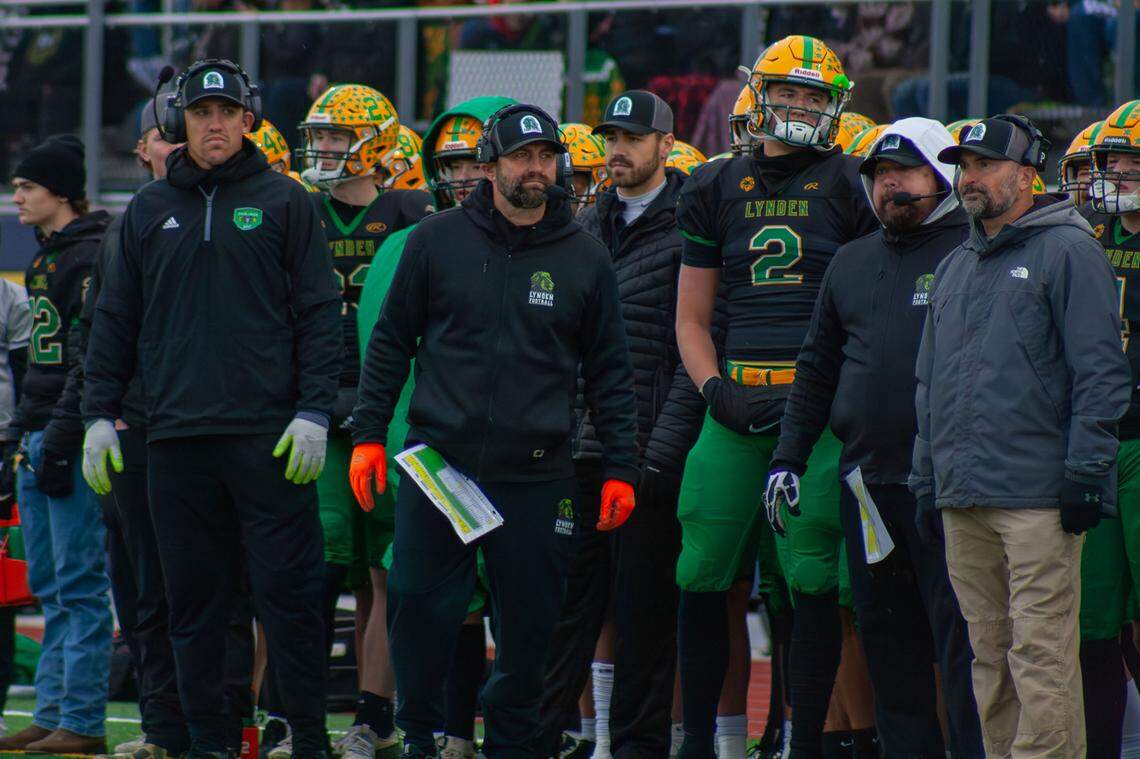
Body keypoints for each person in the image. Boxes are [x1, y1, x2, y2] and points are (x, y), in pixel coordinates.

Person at [349, 102, 640, 758]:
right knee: (418, 608)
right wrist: (369, 433)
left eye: (546, 156)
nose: (536, 169)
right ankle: (420, 736)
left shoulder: (585, 256)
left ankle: (514, 744)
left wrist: (621, 464)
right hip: (441, 462)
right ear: (490, 165)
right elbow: (392, 342)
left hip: (536, 469)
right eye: (521, 157)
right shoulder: (435, 240)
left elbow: (610, 371)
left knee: (534, 632)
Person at [80, 59, 340, 759]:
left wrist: (315, 410)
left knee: (288, 600)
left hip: (268, 437)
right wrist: (97, 413)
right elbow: (115, 319)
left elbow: (320, 315)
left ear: (249, 117)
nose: (215, 123)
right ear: (179, 122)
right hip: (175, 438)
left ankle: (306, 737)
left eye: (226, 111)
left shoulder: (288, 202)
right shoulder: (147, 211)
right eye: (201, 113)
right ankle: (208, 743)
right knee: (190, 606)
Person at [673, 35, 877, 759]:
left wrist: (824, 398)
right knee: (699, 566)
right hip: (736, 402)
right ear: (756, 95)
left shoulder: (854, 182)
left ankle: (806, 739)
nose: (796, 106)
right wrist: (713, 389)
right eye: (785, 93)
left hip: (815, 407)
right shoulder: (714, 184)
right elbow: (691, 318)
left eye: (812, 96)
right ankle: (696, 739)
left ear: (833, 106)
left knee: (813, 573)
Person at [911, 114, 1132, 757]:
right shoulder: (954, 264)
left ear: (1027, 176)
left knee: (1040, 654)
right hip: (963, 493)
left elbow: (1100, 369)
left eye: (984, 165)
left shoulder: (1069, 249)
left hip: (1038, 494)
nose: (969, 177)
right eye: (963, 165)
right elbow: (930, 384)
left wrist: (1086, 472)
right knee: (989, 655)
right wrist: (928, 480)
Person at [767, 117, 983, 758]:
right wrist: (787, 456)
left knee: (964, 645)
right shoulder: (851, 261)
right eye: (881, 175)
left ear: (941, 174)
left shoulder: (973, 250)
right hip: (866, 487)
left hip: (950, 486)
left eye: (907, 172)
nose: (893, 186)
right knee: (888, 643)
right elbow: (816, 368)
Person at [262, 83, 432, 759]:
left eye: (339, 135)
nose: (326, 147)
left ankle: (375, 717)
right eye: (321, 135)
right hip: (316, 412)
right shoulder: (297, 210)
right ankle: (286, 714)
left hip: (387, 408)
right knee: (315, 567)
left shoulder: (414, 214)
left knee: (388, 572)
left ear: (381, 142)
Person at [541, 90, 703, 759]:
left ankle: (637, 748)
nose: (618, 150)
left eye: (634, 138)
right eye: (611, 136)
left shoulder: (692, 225)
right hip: (578, 455)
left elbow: (693, 350)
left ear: (667, 144)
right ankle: (538, 740)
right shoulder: (583, 226)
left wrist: (659, 458)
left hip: (644, 457)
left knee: (643, 621)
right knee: (561, 614)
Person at [354, 95, 516, 759]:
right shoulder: (411, 242)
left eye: (474, 160)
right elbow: (384, 350)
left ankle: (474, 726)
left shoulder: (555, 238)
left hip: (521, 451)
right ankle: (400, 722)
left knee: (510, 596)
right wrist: (394, 446)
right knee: (410, 588)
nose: (464, 175)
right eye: (449, 162)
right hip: (431, 447)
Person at [0, 134, 113, 755]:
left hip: (65, 430)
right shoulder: (46, 255)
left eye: (28, 187)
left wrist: (63, 435)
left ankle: (82, 719)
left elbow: (90, 356)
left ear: (61, 193)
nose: (17, 197)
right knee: (48, 583)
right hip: (39, 429)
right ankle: (51, 711)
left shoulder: (91, 254)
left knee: (78, 583)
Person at [1078, 99, 1140, 758]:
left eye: (1131, 159)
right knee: (1089, 622)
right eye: (1112, 159)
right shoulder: (1082, 233)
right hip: (1093, 443)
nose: (1117, 169)